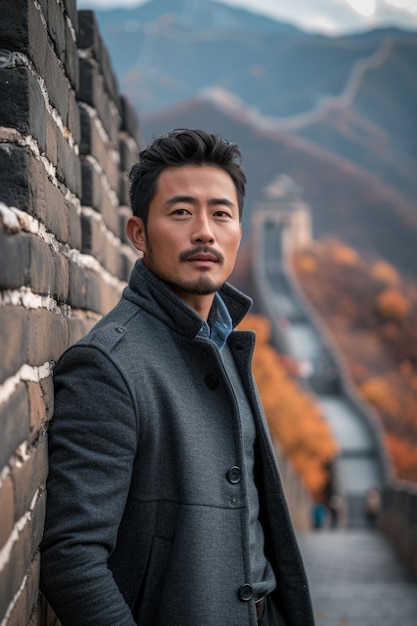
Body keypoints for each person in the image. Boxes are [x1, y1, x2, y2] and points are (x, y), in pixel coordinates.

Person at [40, 129, 315, 626]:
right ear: (138, 234)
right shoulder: (109, 365)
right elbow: (72, 557)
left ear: (239, 231)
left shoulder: (224, 342)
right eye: (181, 212)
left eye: (221, 214)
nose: (205, 232)